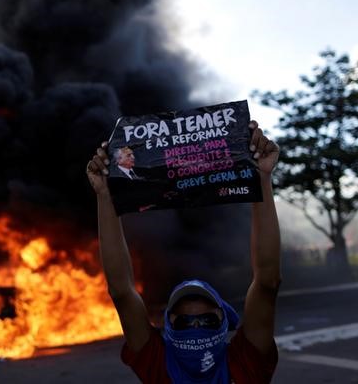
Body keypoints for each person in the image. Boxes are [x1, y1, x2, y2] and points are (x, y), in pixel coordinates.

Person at [86, 120, 279, 383]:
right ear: (168, 324)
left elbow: (267, 282)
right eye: (185, 324)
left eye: (207, 322)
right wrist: (105, 195)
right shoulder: (158, 364)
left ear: (223, 320)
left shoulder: (246, 362)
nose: (196, 328)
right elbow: (121, 291)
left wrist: (262, 178)